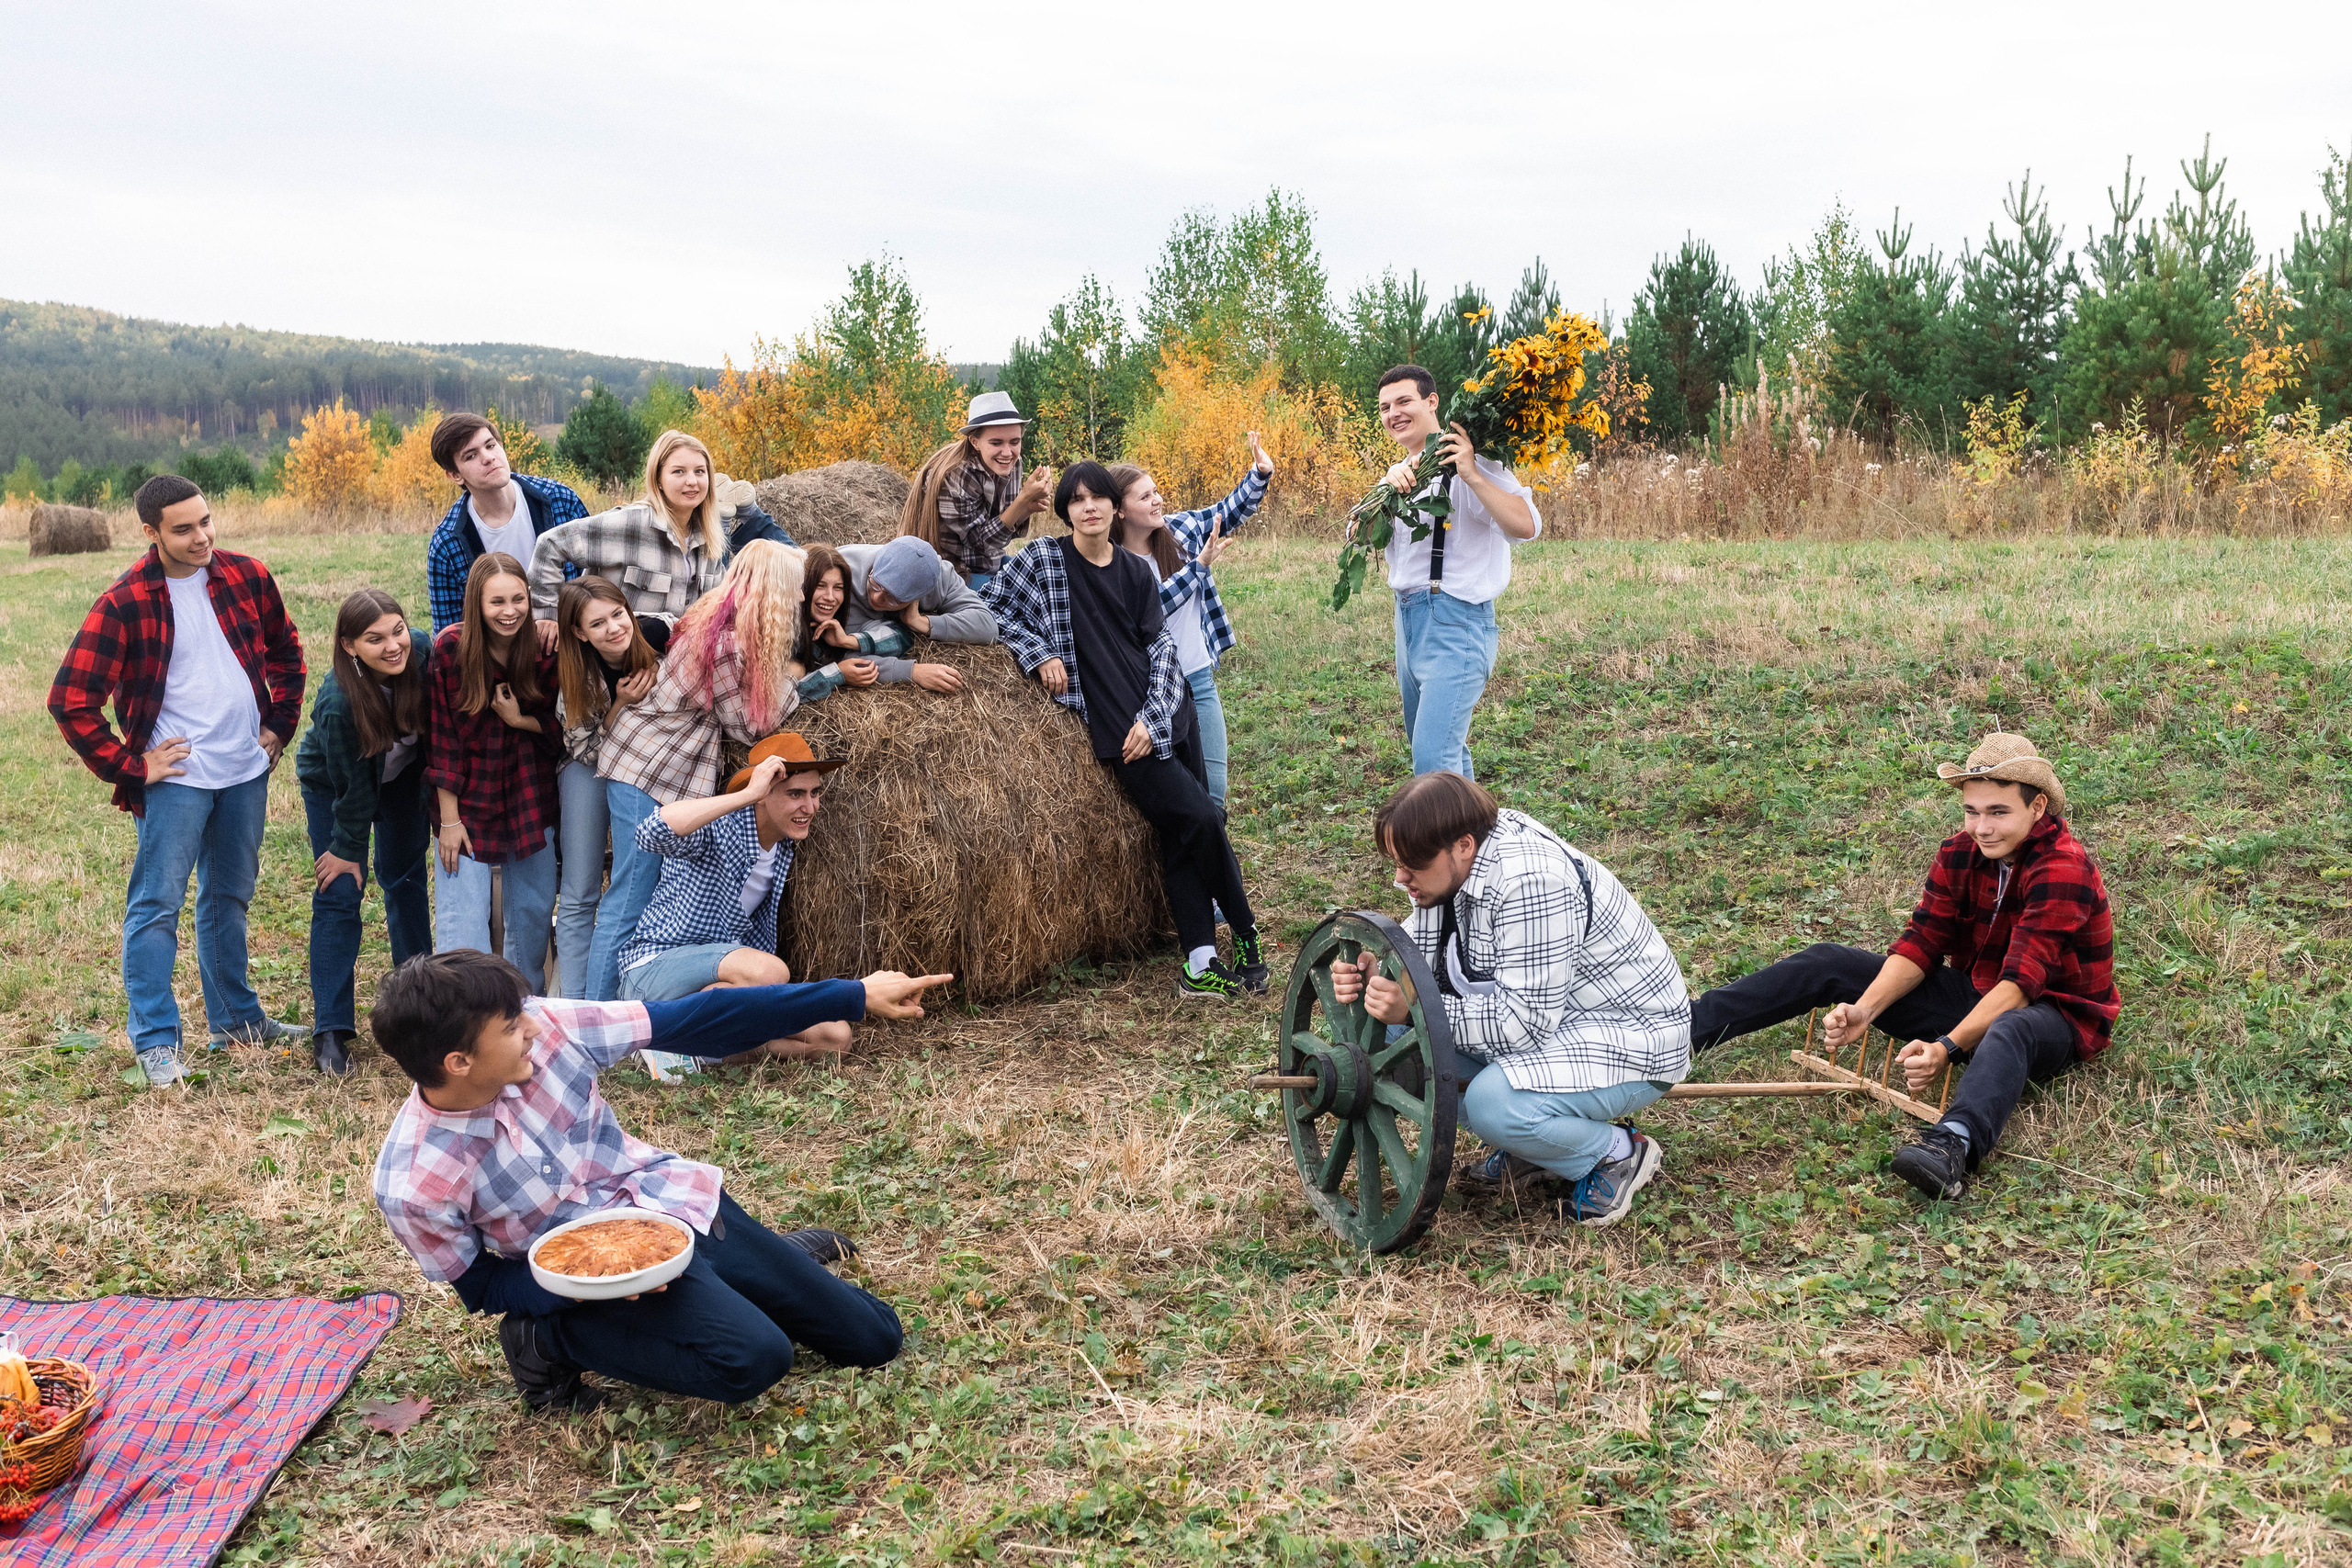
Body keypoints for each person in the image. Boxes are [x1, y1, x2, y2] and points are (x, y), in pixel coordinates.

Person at [368, 948, 953, 1413]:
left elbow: (697, 1020)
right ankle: (545, 1343)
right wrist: (589, 1286)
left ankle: (759, 1268)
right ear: (458, 1063)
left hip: (669, 1201)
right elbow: (482, 1287)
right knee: (755, 1359)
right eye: (510, 1026)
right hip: (595, 1276)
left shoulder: (546, 1025)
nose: (529, 1027)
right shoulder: (414, 1181)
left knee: (875, 1339)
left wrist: (853, 994)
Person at [1688, 734, 2119, 1201]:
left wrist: (1946, 1049)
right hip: (1975, 991)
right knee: (1828, 962)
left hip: (2052, 1018)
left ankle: (1952, 1146)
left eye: (1998, 812)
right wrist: (1865, 1011)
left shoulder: (2062, 868)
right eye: (1972, 811)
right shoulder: (1960, 852)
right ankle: (1682, 1030)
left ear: (2037, 808)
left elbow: (2019, 985)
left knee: (2010, 1027)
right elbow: (1921, 944)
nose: (1982, 827)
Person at [1329, 772, 1690, 1228]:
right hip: (1561, 1025)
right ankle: (1537, 1148)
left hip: (1632, 1036)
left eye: (1413, 865)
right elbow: (1419, 967)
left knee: (1492, 1103)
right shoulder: (1458, 864)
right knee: (1394, 1037)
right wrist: (1375, 977)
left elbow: (1522, 1027)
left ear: (1462, 845)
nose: (1402, 879)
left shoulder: (1531, 882)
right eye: (1397, 863)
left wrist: (1413, 1006)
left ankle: (1616, 1155)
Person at [48, 473, 310, 1084]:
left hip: (245, 768)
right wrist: (131, 765)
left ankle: (236, 1022)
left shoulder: (245, 574)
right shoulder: (125, 600)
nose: (202, 536)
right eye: (184, 528)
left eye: (206, 520)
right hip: (178, 779)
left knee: (229, 898)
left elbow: (287, 651)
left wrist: (279, 723)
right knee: (156, 907)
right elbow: (71, 699)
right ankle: (157, 1043)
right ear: (151, 532)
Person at [987, 461, 1268, 1000]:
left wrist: (1155, 715)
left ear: (1115, 510)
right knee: (1202, 818)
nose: (1088, 507)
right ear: (1066, 512)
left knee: (1182, 832)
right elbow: (991, 608)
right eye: (1076, 500)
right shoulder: (1046, 560)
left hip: (1165, 712)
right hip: (1119, 731)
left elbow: (1160, 648)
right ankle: (1247, 931)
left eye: (1098, 499)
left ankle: (1199, 962)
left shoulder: (1138, 571)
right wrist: (1038, 652)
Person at [588, 540, 804, 1000]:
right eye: (797, 590)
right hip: (645, 768)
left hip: (659, 769)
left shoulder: (724, 627)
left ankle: (632, 1013)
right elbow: (749, 727)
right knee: (629, 899)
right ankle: (598, 1018)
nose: (802, 600)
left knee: (638, 897)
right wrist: (797, 681)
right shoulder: (724, 642)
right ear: (776, 593)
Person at [619, 735, 851, 1082]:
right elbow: (651, 833)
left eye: (814, 793)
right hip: (653, 973)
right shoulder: (722, 827)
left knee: (836, 1036)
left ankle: (687, 1048)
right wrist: (745, 794)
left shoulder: (782, 849)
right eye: (795, 794)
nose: (810, 807)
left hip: (720, 986)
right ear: (763, 794)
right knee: (769, 973)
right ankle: (678, 1035)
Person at [1363, 365, 1541, 779]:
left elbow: (1527, 526)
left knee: (1433, 765)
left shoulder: (1475, 462)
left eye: (1404, 401)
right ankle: (1475, 840)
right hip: (1407, 623)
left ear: (1432, 402)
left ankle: (1451, 843)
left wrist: (1472, 474)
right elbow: (1361, 537)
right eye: (1385, 407)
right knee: (1443, 755)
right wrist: (1385, 494)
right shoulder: (1401, 474)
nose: (1394, 413)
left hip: (1456, 620)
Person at [296, 590, 433, 1076]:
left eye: (396, 630)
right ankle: (331, 1030)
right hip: (334, 784)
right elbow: (351, 790)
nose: (392, 646)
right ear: (350, 646)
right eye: (374, 639)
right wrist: (347, 850)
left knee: (405, 881)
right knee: (340, 890)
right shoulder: (338, 702)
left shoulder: (421, 652)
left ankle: (418, 1007)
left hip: (399, 782)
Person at [1107, 432, 1274, 811]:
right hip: (1149, 692)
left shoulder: (1179, 531)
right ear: (1120, 510)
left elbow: (1226, 512)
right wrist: (1198, 567)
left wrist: (1259, 473)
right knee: (1171, 804)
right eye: (1145, 496)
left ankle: (1212, 868)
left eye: (1156, 491)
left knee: (1213, 796)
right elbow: (1152, 608)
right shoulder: (1112, 563)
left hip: (1197, 680)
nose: (1158, 500)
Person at [427, 553, 561, 991]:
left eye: (518, 599)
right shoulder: (452, 649)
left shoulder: (544, 651)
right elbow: (441, 738)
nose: (509, 612)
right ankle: (463, 1012)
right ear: (476, 605)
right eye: (497, 602)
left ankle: (525, 1008)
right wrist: (449, 820)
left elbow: (566, 732)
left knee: (533, 913)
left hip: (530, 795)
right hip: (469, 800)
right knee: (462, 921)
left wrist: (520, 719)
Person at [526, 430, 791, 639]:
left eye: (700, 472)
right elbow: (550, 544)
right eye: (679, 472)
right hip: (618, 660)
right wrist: (548, 614)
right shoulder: (630, 525)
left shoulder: (709, 540)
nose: (692, 481)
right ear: (659, 480)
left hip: (673, 667)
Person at [551, 577, 672, 998]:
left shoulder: (657, 636)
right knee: (582, 886)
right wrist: (619, 704)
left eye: (618, 614)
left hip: (643, 764)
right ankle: (574, 997)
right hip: (588, 763)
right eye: (597, 624)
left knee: (639, 875)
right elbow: (584, 750)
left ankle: (625, 988)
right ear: (580, 634)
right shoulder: (576, 677)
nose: (614, 628)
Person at [424, 412, 589, 635]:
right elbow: (449, 636)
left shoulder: (561, 500)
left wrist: (561, 618)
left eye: (490, 446)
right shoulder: (446, 544)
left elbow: (597, 583)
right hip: (498, 658)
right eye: (471, 456)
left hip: (572, 642)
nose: (488, 458)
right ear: (455, 475)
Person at [900, 390, 1052, 589]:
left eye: (1014, 442)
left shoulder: (1013, 464)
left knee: (1042, 582)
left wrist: (1028, 508)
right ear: (975, 442)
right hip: (951, 568)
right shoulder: (956, 475)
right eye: (996, 443)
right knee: (1003, 601)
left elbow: (1001, 536)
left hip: (988, 562)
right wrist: (1022, 501)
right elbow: (979, 543)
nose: (1007, 452)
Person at [832, 536, 998, 695]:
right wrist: (913, 672)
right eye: (875, 584)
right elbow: (846, 660)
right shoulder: (840, 581)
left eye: (892, 598)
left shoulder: (936, 575)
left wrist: (920, 622)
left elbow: (987, 625)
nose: (876, 597)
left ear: (916, 598)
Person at [786, 543, 897, 704]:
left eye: (838, 588)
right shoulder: (783, 628)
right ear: (802, 586)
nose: (830, 597)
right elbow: (782, 697)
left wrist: (847, 641)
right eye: (820, 586)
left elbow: (901, 637)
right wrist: (838, 674)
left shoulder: (840, 621)